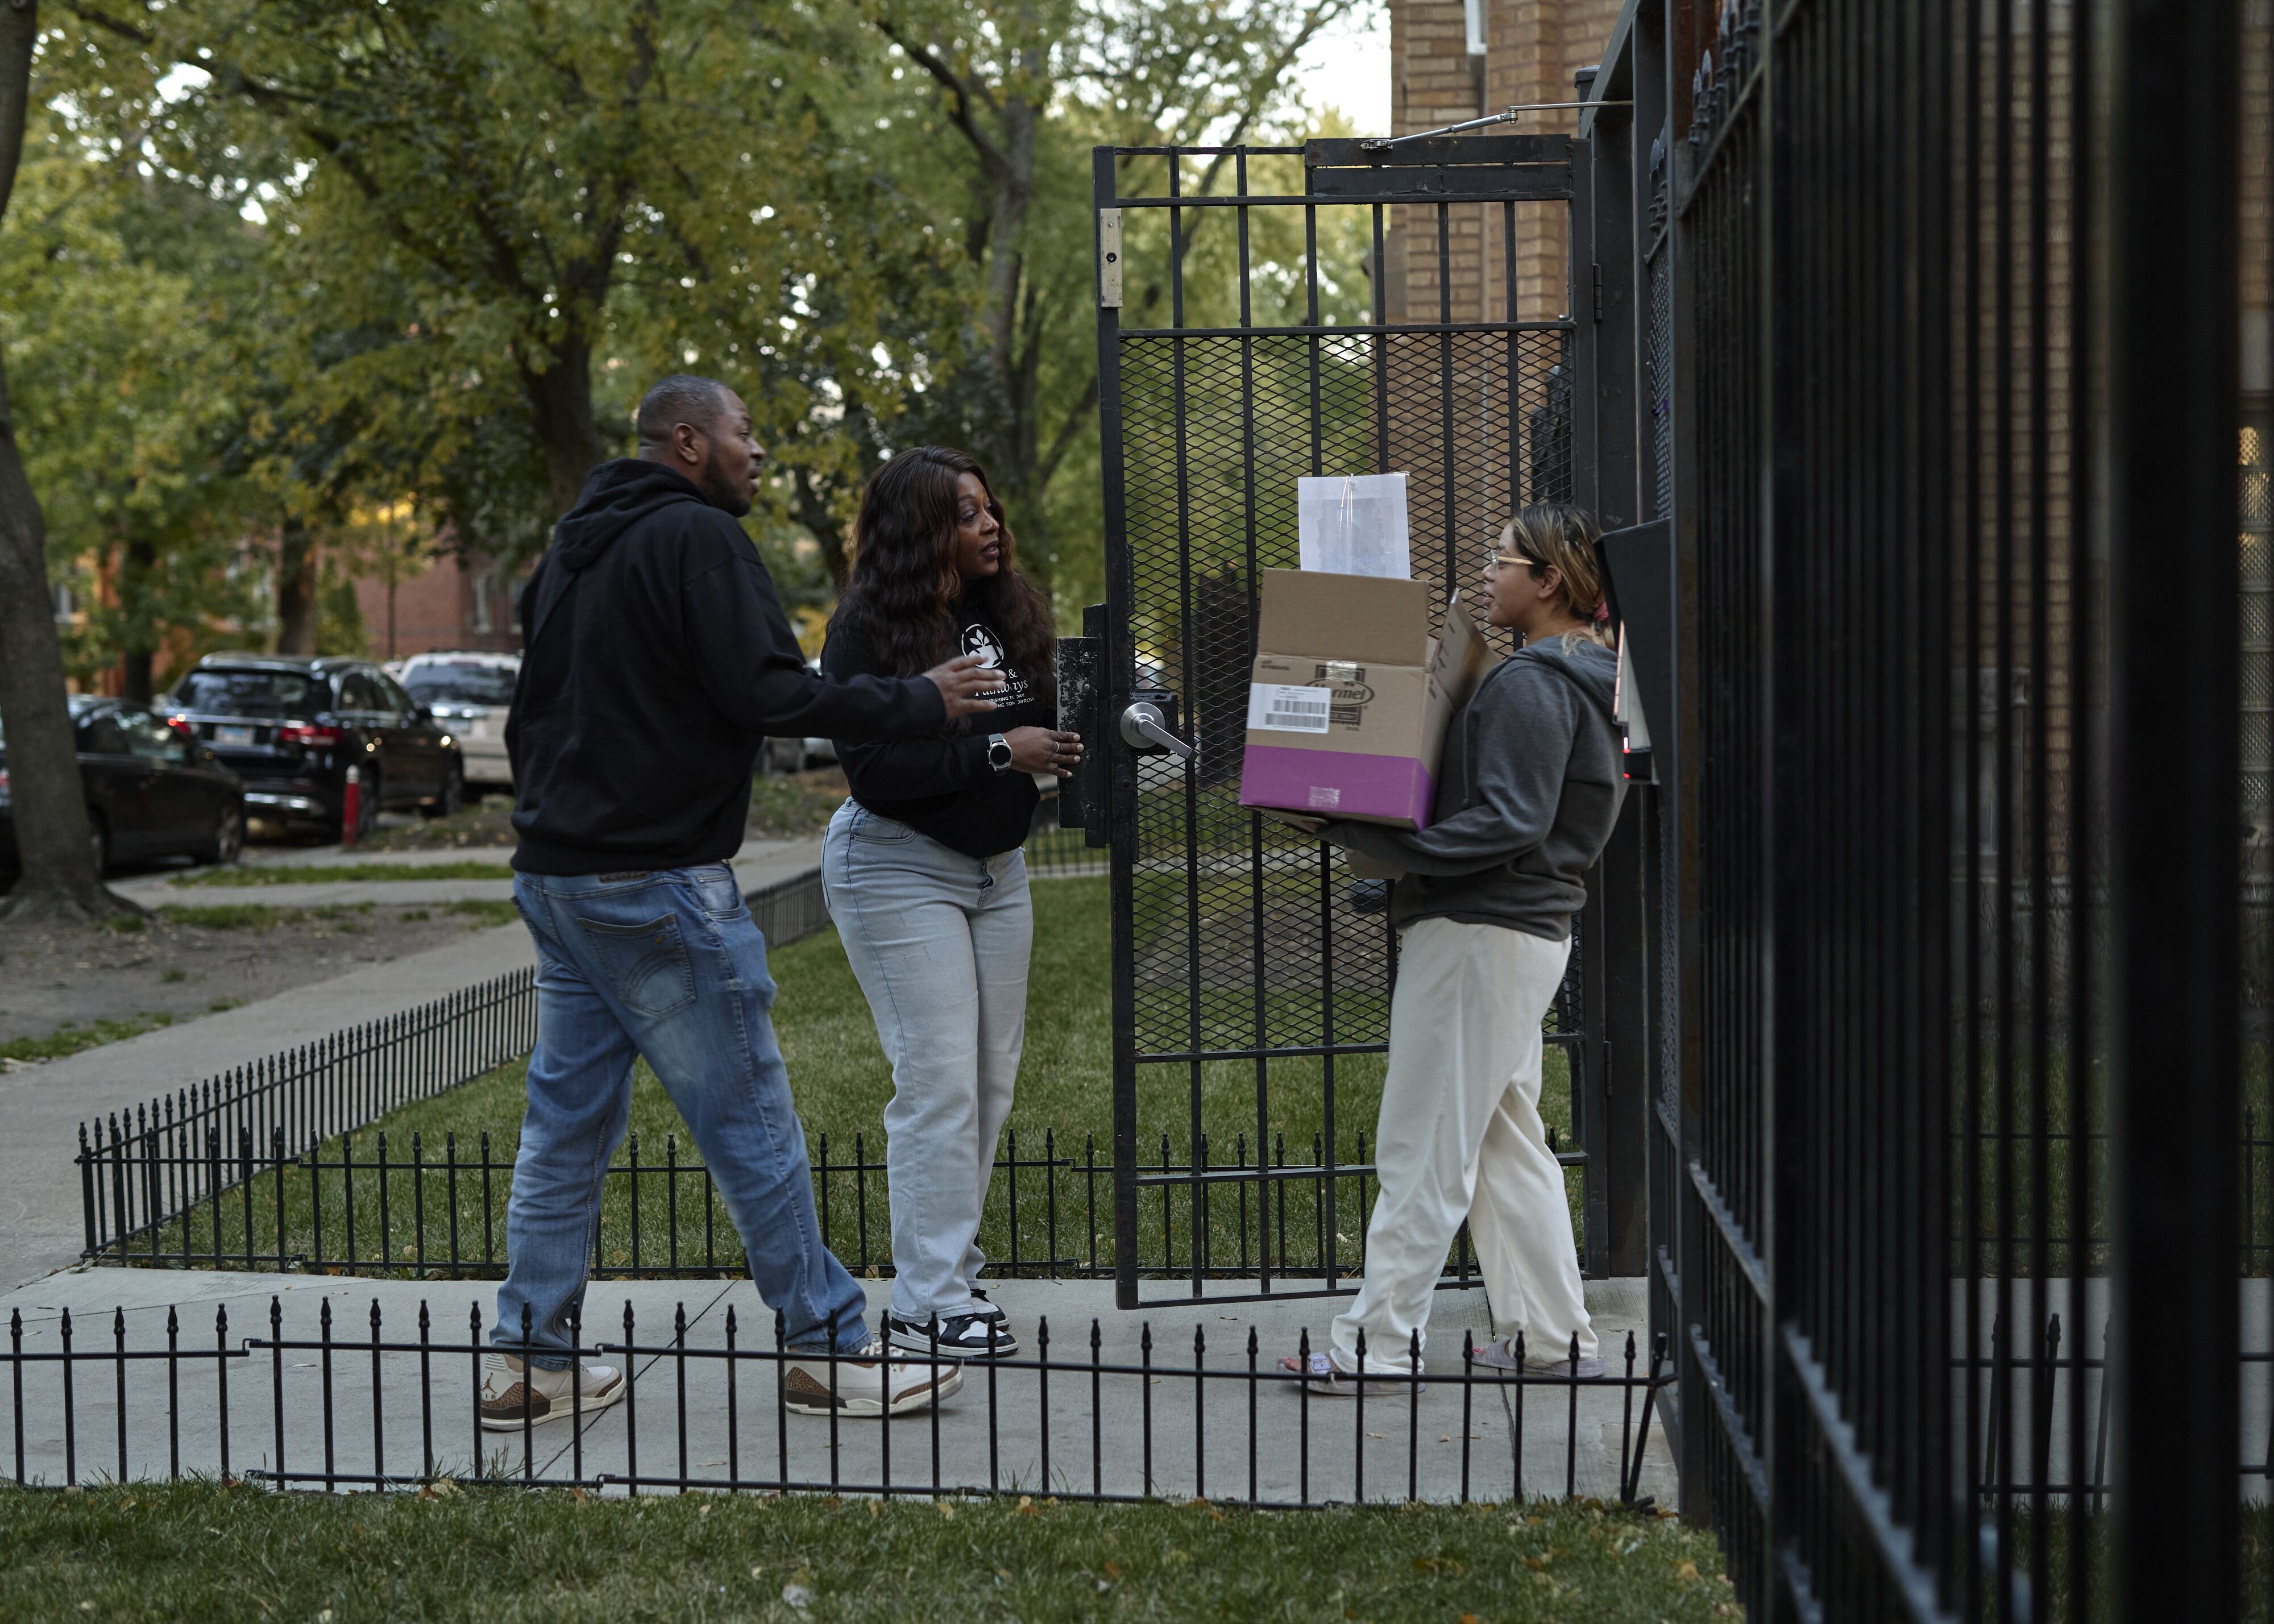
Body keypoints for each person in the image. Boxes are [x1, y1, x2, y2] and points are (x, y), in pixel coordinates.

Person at [481, 376, 1007, 1428]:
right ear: (689, 442)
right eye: (743, 433)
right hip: (656, 879)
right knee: (751, 1118)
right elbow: (771, 693)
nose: (755, 451)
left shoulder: (570, 552)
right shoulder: (699, 539)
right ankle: (824, 1344)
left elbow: (528, 712)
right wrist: (921, 699)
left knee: (564, 1126)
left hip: (556, 875)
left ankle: (529, 1365)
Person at [1277, 502, 1628, 1393]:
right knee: (1506, 1147)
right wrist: (1402, 874)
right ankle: (1553, 1339)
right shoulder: (1589, 674)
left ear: (1548, 580)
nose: (1488, 575)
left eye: (1502, 560)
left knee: (1425, 1142)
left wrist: (1372, 837)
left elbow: (1509, 823)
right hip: (1517, 931)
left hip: (1483, 936)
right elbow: (1531, 826)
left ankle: (1375, 1346)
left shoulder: (1534, 683)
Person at [819, 447, 1081, 1358]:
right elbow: (878, 770)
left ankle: (953, 1275)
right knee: (936, 1083)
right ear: (922, 529)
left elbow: (1042, 726)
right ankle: (926, 1303)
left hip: (996, 872)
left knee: (987, 1084)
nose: (990, 525)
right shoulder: (865, 630)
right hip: (897, 864)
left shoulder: (1004, 615)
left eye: (990, 508)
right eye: (967, 513)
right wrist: (1002, 753)